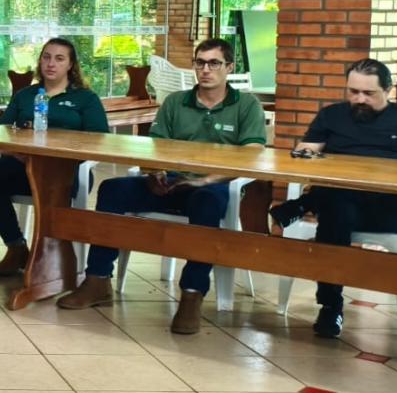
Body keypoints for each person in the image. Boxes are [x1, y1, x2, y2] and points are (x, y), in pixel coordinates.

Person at [58, 38, 267, 335]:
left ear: (229, 67)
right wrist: (154, 172)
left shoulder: (246, 105)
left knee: (207, 202)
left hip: (213, 187)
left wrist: (205, 179)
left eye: (214, 63)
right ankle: (97, 279)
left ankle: (192, 293)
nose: (205, 70)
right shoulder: (175, 102)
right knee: (112, 190)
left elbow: (250, 157)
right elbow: (154, 150)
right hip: (171, 182)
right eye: (200, 63)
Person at [270, 58, 397, 338]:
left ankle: (303, 207)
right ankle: (331, 305)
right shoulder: (332, 115)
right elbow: (304, 153)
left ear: (388, 90)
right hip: (340, 204)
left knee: (332, 205)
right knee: (337, 209)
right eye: (353, 92)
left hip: (387, 204)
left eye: (368, 93)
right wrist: (306, 155)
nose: (359, 99)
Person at [0, 38, 109, 278]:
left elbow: (100, 140)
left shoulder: (85, 99)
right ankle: (16, 247)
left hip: (67, 171)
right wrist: (15, 151)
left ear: (71, 65)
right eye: (46, 57)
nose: (51, 64)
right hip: (24, 166)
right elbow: (2, 131)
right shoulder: (26, 95)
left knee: (53, 191)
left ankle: (49, 257)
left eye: (59, 59)